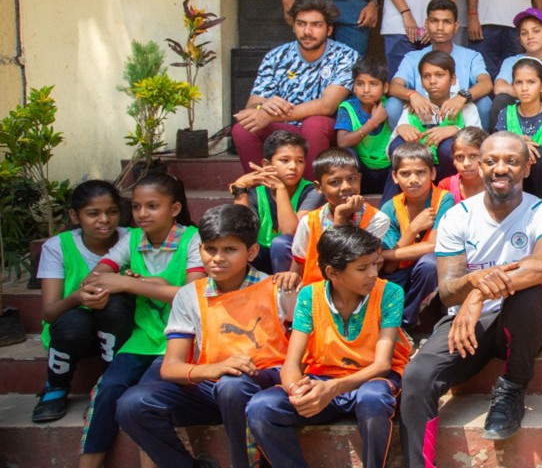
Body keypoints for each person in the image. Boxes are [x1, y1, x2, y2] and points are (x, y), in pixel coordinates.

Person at [400, 132, 542, 464]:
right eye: (491, 161)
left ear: (526, 168)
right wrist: (470, 287)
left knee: (529, 295)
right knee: (417, 376)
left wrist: (478, 290)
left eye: (511, 161)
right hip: (466, 326)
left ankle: (512, 388)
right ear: (479, 164)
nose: (500, 169)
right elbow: (447, 290)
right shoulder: (458, 217)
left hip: (520, 326)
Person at [116, 205, 293, 468]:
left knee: (233, 385)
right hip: (213, 384)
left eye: (230, 250)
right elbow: (171, 367)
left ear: (252, 252)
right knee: (132, 404)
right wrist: (216, 368)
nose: (217, 258)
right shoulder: (190, 296)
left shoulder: (278, 289)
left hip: (266, 385)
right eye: (210, 249)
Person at [247, 225, 412, 468]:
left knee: (373, 398)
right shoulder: (309, 296)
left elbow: (382, 364)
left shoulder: (390, 293)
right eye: (362, 268)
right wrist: (298, 392)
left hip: (371, 380)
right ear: (332, 272)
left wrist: (332, 389)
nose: (373, 274)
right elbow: (291, 364)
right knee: (261, 407)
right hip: (322, 378)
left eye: (375, 264)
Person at [78, 173, 205, 468]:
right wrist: (92, 292)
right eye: (136, 207)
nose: (142, 214)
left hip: (181, 338)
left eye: (152, 206)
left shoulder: (192, 239)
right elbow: (95, 278)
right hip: (142, 336)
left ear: (174, 209)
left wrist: (131, 283)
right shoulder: (132, 239)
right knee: (108, 388)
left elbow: (191, 296)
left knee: (143, 398)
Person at [32, 181, 133, 423]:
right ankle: (56, 386)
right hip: (72, 336)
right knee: (75, 321)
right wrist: (77, 297)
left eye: (111, 212)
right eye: (93, 213)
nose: (104, 220)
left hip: (120, 331)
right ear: (74, 216)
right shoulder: (58, 247)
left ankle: (109, 383)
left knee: (115, 304)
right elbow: (49, 313)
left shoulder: (130, 240)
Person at [233, 0, 358, 181]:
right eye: (301, 24)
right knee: (243, 128)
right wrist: (264, 106)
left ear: (329, 29)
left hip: (324, 130)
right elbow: (252, 106)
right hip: (285, 129)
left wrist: (271, 115)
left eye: (316, 25)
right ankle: (261, 192)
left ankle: (309, 193)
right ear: (293, 26)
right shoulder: (276, 56)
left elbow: (327, 106)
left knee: (315, 123)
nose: (307, 31)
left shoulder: (345, 56)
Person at [386, 0, 492, 131]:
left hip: (459, 120)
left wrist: (462, 97)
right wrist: (412, 95)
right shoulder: (412, 57)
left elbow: (486, 83)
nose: (440, 27)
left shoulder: (471, 56)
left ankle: (479, 146)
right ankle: (407, 147)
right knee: (392, 104)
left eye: (447, 22)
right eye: (434, 21)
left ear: (456, 26)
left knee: (485, 103)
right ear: (426, 24)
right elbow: (394, 86)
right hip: (421, 119)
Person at [379, 142, 453, 330]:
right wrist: (412, 229)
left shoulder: (444, 199)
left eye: (420, 172)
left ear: (433, 174)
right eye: (405, 174)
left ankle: (404, 324)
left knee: (429, 264)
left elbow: (433, 246)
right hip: (400, 272)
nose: (413, 179)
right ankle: (387, 323)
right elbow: (388, 268)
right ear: (395, 177)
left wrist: (385, 254)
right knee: (386, 280)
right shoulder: (390, 208)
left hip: (429, 273)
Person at [289, 148, 390, 287]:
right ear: (319, 187)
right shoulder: (309, 222)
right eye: (335, 182)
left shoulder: (377, 219)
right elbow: (298, 267)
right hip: (315, 293)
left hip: (356, 292)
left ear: (360, 178)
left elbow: (348, 261)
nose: (346, 187)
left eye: (352, 179)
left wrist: (341, 217)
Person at [387, 51, 480, 199]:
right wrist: (401, 129)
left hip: (451, 172)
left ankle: (450, 196)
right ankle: (394, 210)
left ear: (453, 79)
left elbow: (478, 144)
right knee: (399, 146)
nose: (432, 81)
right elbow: (390, 151)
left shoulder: (466, 107)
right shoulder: (414, 106)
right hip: (417, 173)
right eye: (426, 76)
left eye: (439, 75)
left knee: (447, 147)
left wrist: (455, 130)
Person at [231, 131, 320, 274]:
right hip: (259, 256)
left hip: (293, 258)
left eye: (300, 161)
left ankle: (283, 291)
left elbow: (290, 232)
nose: (293, 167)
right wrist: (240, 187)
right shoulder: (256, 194)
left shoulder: (312, 191)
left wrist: (280, 189)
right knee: (241, 246)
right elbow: (240, 231)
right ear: (266, 164)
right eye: (285, 160)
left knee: (280, 244)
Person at [494, 57, 542, 203]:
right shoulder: (505, 113)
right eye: (519, 82)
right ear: (513, 85)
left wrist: (519, 148)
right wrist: (521, 144)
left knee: (538, 155)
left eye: (531, 82)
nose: (524, 88)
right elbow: (501, 152)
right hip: (514, 171)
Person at [335, 57, 393, 196]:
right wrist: (373, 122)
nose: (366, 90)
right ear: (354, 87)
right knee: (348, 154)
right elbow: (342, 142)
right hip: (361, 171)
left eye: (373, 84)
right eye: (360, 84)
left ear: (385, 87)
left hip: (388, 170)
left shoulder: (391, 106)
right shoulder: (348, 108)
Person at [437, 126, 487, 202]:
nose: (466, 164)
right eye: (460, 157)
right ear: (453, 160)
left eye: (473, 156)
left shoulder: (496, 185)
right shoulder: (445, 186)